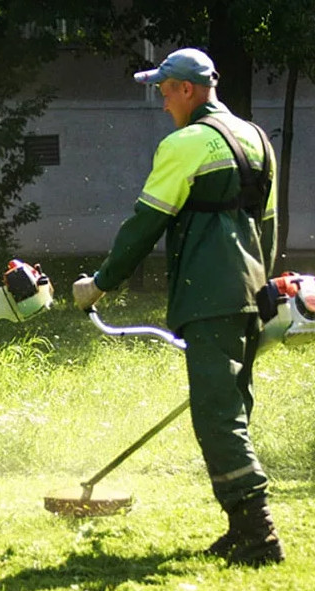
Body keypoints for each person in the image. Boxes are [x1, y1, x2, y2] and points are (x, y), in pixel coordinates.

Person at [73, 48, 284, 566]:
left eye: (164, 91)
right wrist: (261, 288)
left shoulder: (186, 142)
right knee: (231, 409)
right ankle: (239, 527)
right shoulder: (257, 139)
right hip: (251, 295)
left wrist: (100, 284)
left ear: (186, 89)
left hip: (209, 297)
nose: (162, 102)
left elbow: (146, 223)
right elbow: (269, 227)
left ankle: (260, 535)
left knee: (217, 418)